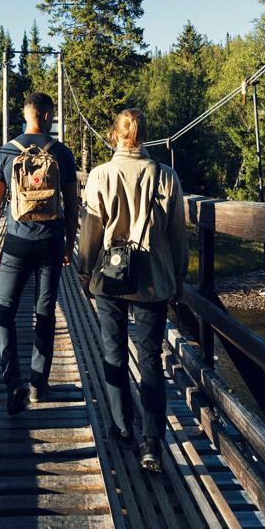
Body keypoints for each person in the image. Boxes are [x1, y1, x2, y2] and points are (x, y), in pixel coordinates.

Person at [77, 108, 189, 473]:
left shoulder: (100, 175)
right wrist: (179, 276)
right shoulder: (167, 177)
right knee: (151, 358)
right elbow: (178, 236)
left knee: (113, 353)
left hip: (110, 279)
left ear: (114, 135)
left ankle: (123, 429)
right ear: (144, 135)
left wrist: (84, 271)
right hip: (154, 280)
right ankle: (152, 441)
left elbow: (91, 232)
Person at [0, 92, 79, 414]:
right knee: (45, 313)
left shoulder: (5, 153)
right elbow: (73, 207)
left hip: (16, 244)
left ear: (25, 115)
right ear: (50, 116)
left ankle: (13, 384)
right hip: (51, 242)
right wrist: (68, 244)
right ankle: (38, 383)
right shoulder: (63, 154)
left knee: (4, 312)